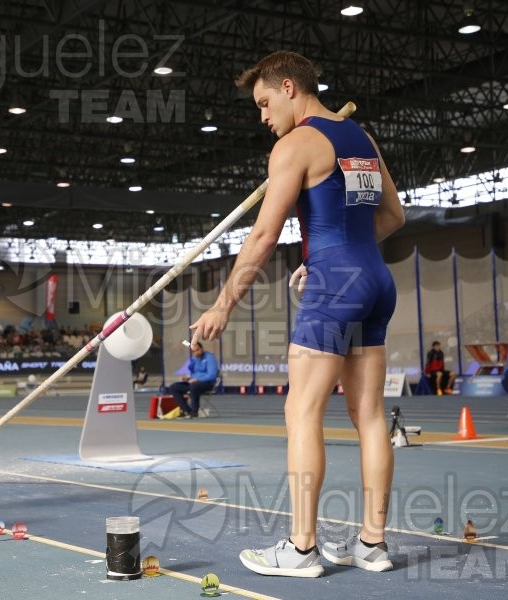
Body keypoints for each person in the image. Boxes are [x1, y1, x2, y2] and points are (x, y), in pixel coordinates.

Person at [190, 50, 405, 577]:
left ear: (289, 87)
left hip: (336, 286)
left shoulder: (296, 145)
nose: (264, 117)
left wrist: (223, 305)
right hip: (375, 280)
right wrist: (335, 259)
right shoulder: (363, 139)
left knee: (302, 412)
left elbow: (264, 236)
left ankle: (302, 548)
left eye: (264, 103)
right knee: (370, 416)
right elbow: (394, 216)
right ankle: (372, 545)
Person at [166, 342, 218, 418]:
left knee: (194, 386)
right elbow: (194, 374)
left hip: (207, 383)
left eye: (198, 350)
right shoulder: (195, 360)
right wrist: (187, 379)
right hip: (193, 383)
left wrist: (197, 379)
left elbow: (212, 375)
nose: (197, 352)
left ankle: (194, 412)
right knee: (173, 387)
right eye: (194, 351)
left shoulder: (209, 357)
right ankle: (186, 410)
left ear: (202, 348)